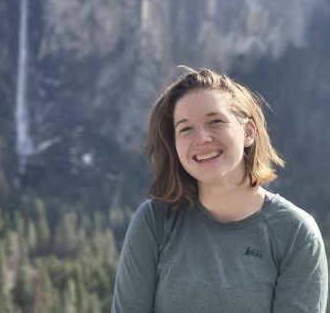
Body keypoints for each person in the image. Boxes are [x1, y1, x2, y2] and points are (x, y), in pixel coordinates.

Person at [111, 66, 328, 313]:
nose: (202, 138)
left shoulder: (296, 232)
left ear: (248, 132)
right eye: (185, 128)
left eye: (215, 122)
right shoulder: (154, 221)